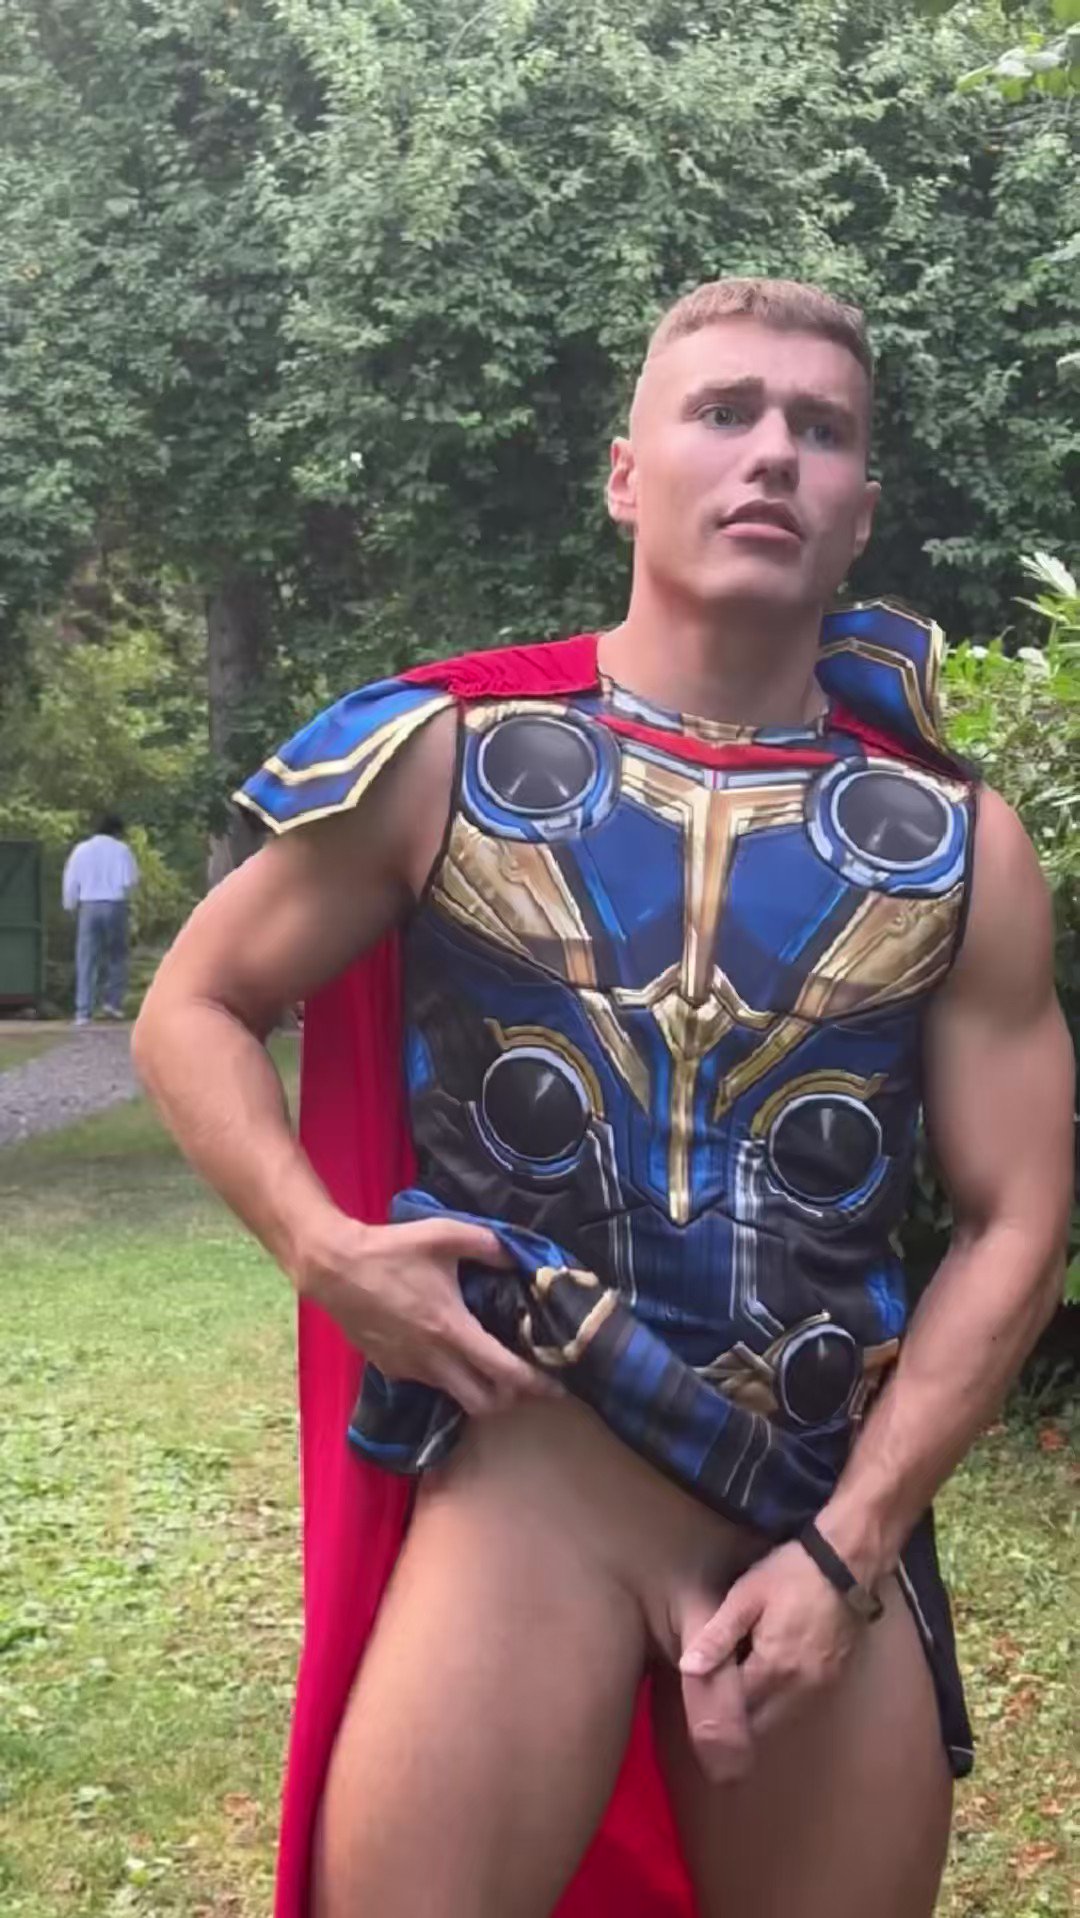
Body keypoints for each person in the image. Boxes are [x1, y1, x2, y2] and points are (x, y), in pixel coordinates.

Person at [133, 279, 1074, 1918]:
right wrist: (319, 1244)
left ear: (858, 512)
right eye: (725, 411)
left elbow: (1020, 1216)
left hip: (809, 1515)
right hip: (533, 1496)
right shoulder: (445, 758)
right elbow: (191, 1006)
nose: (771, 453)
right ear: (627, 474)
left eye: (820, 429)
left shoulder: (958, 845)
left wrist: (852, 1546)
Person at [62, 812, 139, 1026]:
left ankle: (83, 1011)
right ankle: (113, 1003)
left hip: (88, 904)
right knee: (117, 955)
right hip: (115, 903)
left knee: (86, 957)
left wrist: (70, 905)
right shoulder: (122, 850)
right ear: (117, 831)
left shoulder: (81, 849)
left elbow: (71, 880)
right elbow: (130, 881)